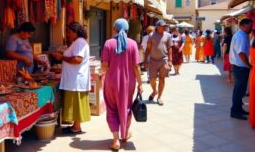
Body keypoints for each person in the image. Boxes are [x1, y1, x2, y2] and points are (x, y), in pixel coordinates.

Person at [100, 18, 143, 150]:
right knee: (126, 107)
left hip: (111, 82)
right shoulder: (133, 44)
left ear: (114, 29)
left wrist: (101, 74)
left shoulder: (108, 43)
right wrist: (140, 84)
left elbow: (104, 65)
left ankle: (115, 140)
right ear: (127, 29)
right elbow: (136, 66)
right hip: (128, 83)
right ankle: (124, 135)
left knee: (112, 109)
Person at [51, 22, 91, 134]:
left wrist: (62, 57)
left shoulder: (79, 42)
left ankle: (76, 127)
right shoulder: (77, 42)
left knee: (76, 103)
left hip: (76, 80)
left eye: (69, 32)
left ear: (75, 32)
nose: (67, 34)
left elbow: (77, 59)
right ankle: (75, 125)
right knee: (75, 103)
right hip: (74, 79)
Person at [144, 20, 173, 106]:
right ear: (157, 26)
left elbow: (169, 48)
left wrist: (170, 60)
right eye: (162, 26)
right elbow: (148, 49)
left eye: (165, 26)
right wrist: (145, 60)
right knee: (152, 79)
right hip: (153, 60)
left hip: (164, 60)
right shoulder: (151, 35)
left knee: (162, 79)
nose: (164, 27)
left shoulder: (168, 35)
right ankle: (154, 91)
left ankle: (159, 97)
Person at [229, 18, 253, 120]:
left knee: (240, 89)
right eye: (250, 26)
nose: (251, 28)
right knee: (239, 90)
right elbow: (241, 53)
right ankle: (235, 111)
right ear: (243, 26)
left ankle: (239, 109)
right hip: (241, 67)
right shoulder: (241, 37)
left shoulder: (240, 35)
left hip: (239, 66)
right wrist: (249, 65)